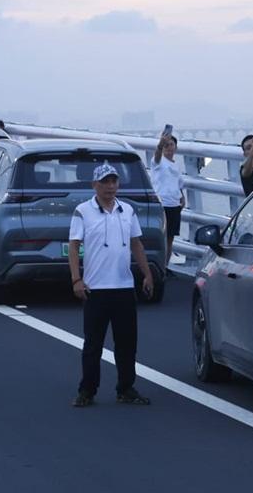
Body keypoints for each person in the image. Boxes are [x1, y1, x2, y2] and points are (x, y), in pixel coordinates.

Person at [69, 162, 155, 407]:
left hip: (124, 286)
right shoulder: (83, 211)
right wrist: (76, 279)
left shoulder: (127, 210)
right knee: (93, 344)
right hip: (95, 288)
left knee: (127, 343)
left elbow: (136, 244)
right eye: (105, 182)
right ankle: (87, 390)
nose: (110, 186)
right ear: (94, 185)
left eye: (113, 181)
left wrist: (147, 274)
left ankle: (125, 388)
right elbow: (74, 246)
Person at [150, 132, 185, 276]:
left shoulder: (176, 165)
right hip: (162, 204)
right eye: (166, 145)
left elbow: (179, 184)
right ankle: (158, 268)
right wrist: (160, 145)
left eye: (171, 145)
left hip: (174, 204)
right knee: (162, 238)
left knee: (170, 238)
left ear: (176, 147)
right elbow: (157, 156)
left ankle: (165, 267)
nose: (169, 147)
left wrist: (182, 198)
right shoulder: (158, 162)